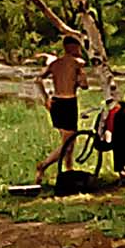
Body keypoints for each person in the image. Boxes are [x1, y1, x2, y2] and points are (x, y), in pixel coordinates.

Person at [33, 35, 89, 186]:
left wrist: (46, 98)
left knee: (68, 141)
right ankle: (43, 165)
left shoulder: (55, 64)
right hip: (68, 103)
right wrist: (80, 77)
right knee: (68, 143)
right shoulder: (77, 63)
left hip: (56, 102)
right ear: (73, 47)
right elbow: (84, 85)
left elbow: (38, 80)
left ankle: (68, 170)